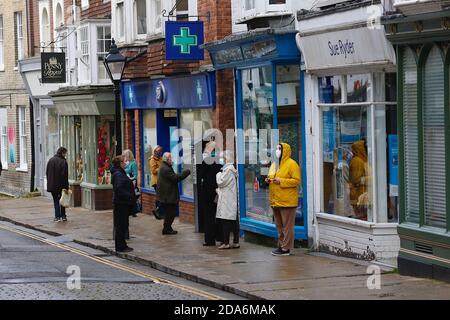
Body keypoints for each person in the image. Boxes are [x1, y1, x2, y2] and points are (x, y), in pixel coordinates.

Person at [266, 143, 301, 256]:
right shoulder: (275, 164)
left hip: (287, 201)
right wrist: (269, 180)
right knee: (279, 226)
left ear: (285, 150)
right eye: (276, 148)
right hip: (276, 200)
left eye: (279, 148)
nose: (277, 151)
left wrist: (281, 181)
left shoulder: (292, 164)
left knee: (287, 226)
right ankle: (281, 245)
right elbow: (271, 176)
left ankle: (286, 248)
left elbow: (296, 180)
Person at [157, 152, 190, 235]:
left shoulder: (165, 166)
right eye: (170, 158)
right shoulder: (166, 168)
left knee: (169, 212)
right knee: (170, 213)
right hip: (168, 195)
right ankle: (166, 229)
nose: (172, 160)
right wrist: (186, 172)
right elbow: (176, 178)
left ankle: (167, 227)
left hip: (167, 194)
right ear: (167, 159)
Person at [198, 139, 223, 246]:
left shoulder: (204, 160)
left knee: (208, 215)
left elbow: (200, 175)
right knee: (219, 214)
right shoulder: (219, 159)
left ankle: (210, 239)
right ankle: (220, 237)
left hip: (207, 191)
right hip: (218, 190)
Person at [111, 155, 136, 253]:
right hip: (121, 204)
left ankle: (122, 245)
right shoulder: (118, 174)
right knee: (121, 225)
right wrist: (129, 195)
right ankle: (121, 247)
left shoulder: (120, 172)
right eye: (124, 161)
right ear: (120, 163)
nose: (126, 163)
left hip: (122, 203)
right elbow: (119, 189)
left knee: (122, 225)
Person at [215, 151, 240, 250]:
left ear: (226, 159)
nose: (220, 160)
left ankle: (226, 243)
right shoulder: (229, 169)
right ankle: (235, 242)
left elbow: (220, 182)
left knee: (226, 220)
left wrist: (218, 174)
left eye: (222, 158)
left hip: (227, 199)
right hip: (229, 198)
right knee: (232, 220)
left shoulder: (228, 170)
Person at [46, 147, 69, 222]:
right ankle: (63, 216)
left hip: (52, 185)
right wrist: (66, 187)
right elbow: (65, 176)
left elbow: (47, 173)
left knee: (56, 201)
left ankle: (57, 217)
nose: (65, 155)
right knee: (62, 201)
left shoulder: (51, 160)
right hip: (61, 185)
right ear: (62, 153)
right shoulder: (63, 162)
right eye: (65, 153)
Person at [349, 140, 370, 220]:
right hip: (359, 195)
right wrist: (373, 178)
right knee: (362, 217)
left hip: (363, 194)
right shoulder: (357, 161)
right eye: (364, 148)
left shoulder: (362, 160)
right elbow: (356, 179)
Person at [123, 149, 140, 217]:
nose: (124, 157)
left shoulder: (133, 163)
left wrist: (130, 179)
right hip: (125, 181)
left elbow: (135, 175)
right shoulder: (126, 163)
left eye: (125, 155)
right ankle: (129, 210)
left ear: (128, 155)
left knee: (132, 196)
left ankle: (133, 211)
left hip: (131, 181)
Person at [149, 145, 163, 219]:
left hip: (161, 180)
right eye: (158, 151)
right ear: (155, 151)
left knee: (160, 197)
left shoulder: (160, 158)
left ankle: (158, 212)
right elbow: (153, 171)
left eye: (161, 151)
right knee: (160, 197)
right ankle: (157, 211)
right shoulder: (152, 160)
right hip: (156, 181)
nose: (160, 152)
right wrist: (162, 168)